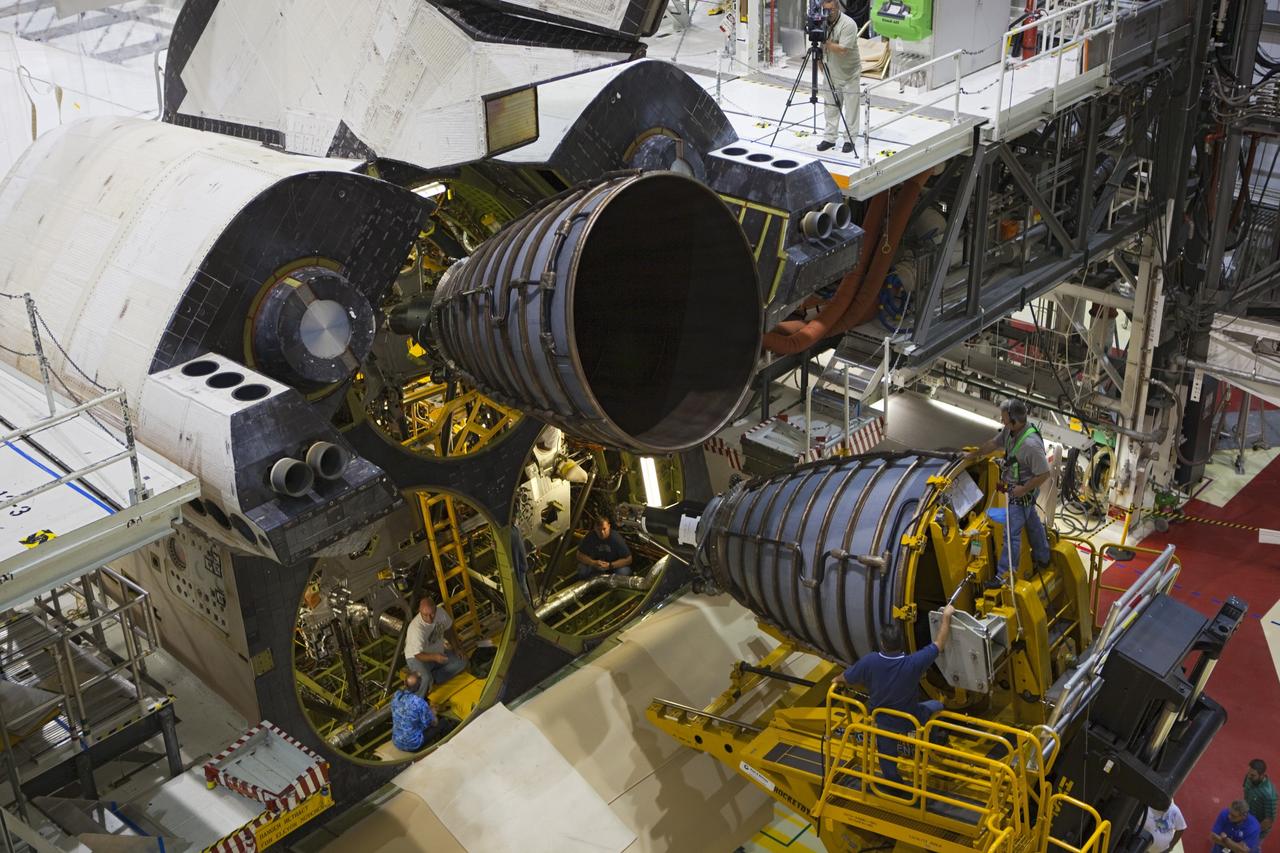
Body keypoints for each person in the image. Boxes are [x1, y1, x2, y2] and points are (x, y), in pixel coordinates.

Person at [964, 398, 1052, 589]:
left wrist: (1023, 489)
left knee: (1010, 534)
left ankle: (1004, 575)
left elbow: (1044, 473)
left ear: (1015, 419)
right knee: (1032, 521)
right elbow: (994, 444)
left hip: (1021, 493)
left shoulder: (1030, 445)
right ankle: (1044, 556)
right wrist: (974, 454)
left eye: (1004, 418)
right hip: (1020, 491)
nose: (1002, 422)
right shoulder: (1010, 431)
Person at [833, 604, 955, 726]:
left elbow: (846, 677)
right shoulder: (913, 663)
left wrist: (837, 679)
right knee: (937, 706)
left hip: (880, 721)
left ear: (882, 643)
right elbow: (939, 644)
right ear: (901, 642)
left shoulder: (870, 661)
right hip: (908, 720)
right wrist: (946, 616)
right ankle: (931, 739)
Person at [815, 0, 862, 155]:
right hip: (830, 72)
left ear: (837, 8)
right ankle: (829, 137)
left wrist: (825, 42)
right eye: (825, 11)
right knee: (830, 106)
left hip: (849, 74)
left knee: (851, 109)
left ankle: (850, 139)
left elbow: (843, 50)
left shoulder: (848, 24)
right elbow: (819, 47)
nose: (827, 14)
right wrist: (820, 63)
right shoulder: (822, 22)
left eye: (830, 11)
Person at [403, 596, 467, 697]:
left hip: (437, 653)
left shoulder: (441, 613)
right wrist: (435, 657)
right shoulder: (416, 629)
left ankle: (435, 678)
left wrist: (457, 648)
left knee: (462, 661)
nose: (429, 618)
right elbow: (418, 655)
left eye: (432, 614)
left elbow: (449, 630)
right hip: (417, 658)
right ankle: (418, 700)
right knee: (425, 678)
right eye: (425, 615)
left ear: (436, 609)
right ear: (420, 612)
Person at [390, 673, 456, 753]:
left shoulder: (396, 696)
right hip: (413, 745)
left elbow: (407, 710)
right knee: (444, 722)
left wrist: (427, 710)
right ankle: (444, 748)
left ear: (404, 683)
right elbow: (433, 723)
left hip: (396, 741)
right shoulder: (419, 702)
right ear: (419, 687)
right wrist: (433, 713)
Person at [575, 515, 633, 580]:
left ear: (609, 526)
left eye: (604, 529)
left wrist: (610, 565)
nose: (602, 532)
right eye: (599, 529)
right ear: (594, 528)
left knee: (625, 572)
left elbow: (629, 559)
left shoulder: (616, 538)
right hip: (596, 566)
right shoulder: (590, 537)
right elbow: (579, 555)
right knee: (582, 569)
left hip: (613, 567)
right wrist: (593, 562)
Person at [1246, 759, 1277, 841]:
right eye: (1248, 772)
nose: (1249, 776)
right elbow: (1246, 793)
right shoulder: (1249, 777)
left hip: (1258, 827)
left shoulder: (1269, 795)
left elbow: (1269, 820)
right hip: (1246, 818)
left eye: (1252, 775)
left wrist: (1253, 831)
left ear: (1262, 775)